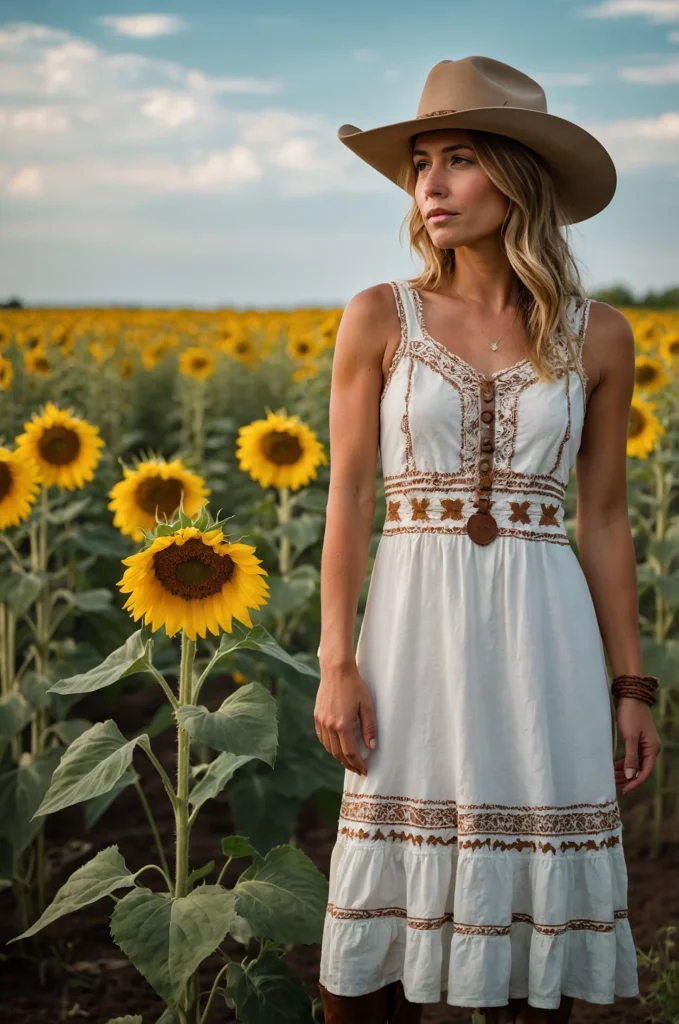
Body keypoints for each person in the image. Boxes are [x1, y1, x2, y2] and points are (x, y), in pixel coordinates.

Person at [312, 57, 662, 1024]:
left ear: (515, 179)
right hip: (411, 631)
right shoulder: (380, 315)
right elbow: (347, 497)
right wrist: (336, 657)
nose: (428, 184)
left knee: (527, 957)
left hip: (542, 638)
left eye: (457, 159)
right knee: (365, 967)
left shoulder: (599, 337)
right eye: (420, 161)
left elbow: (601, 517)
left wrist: (630, 685)